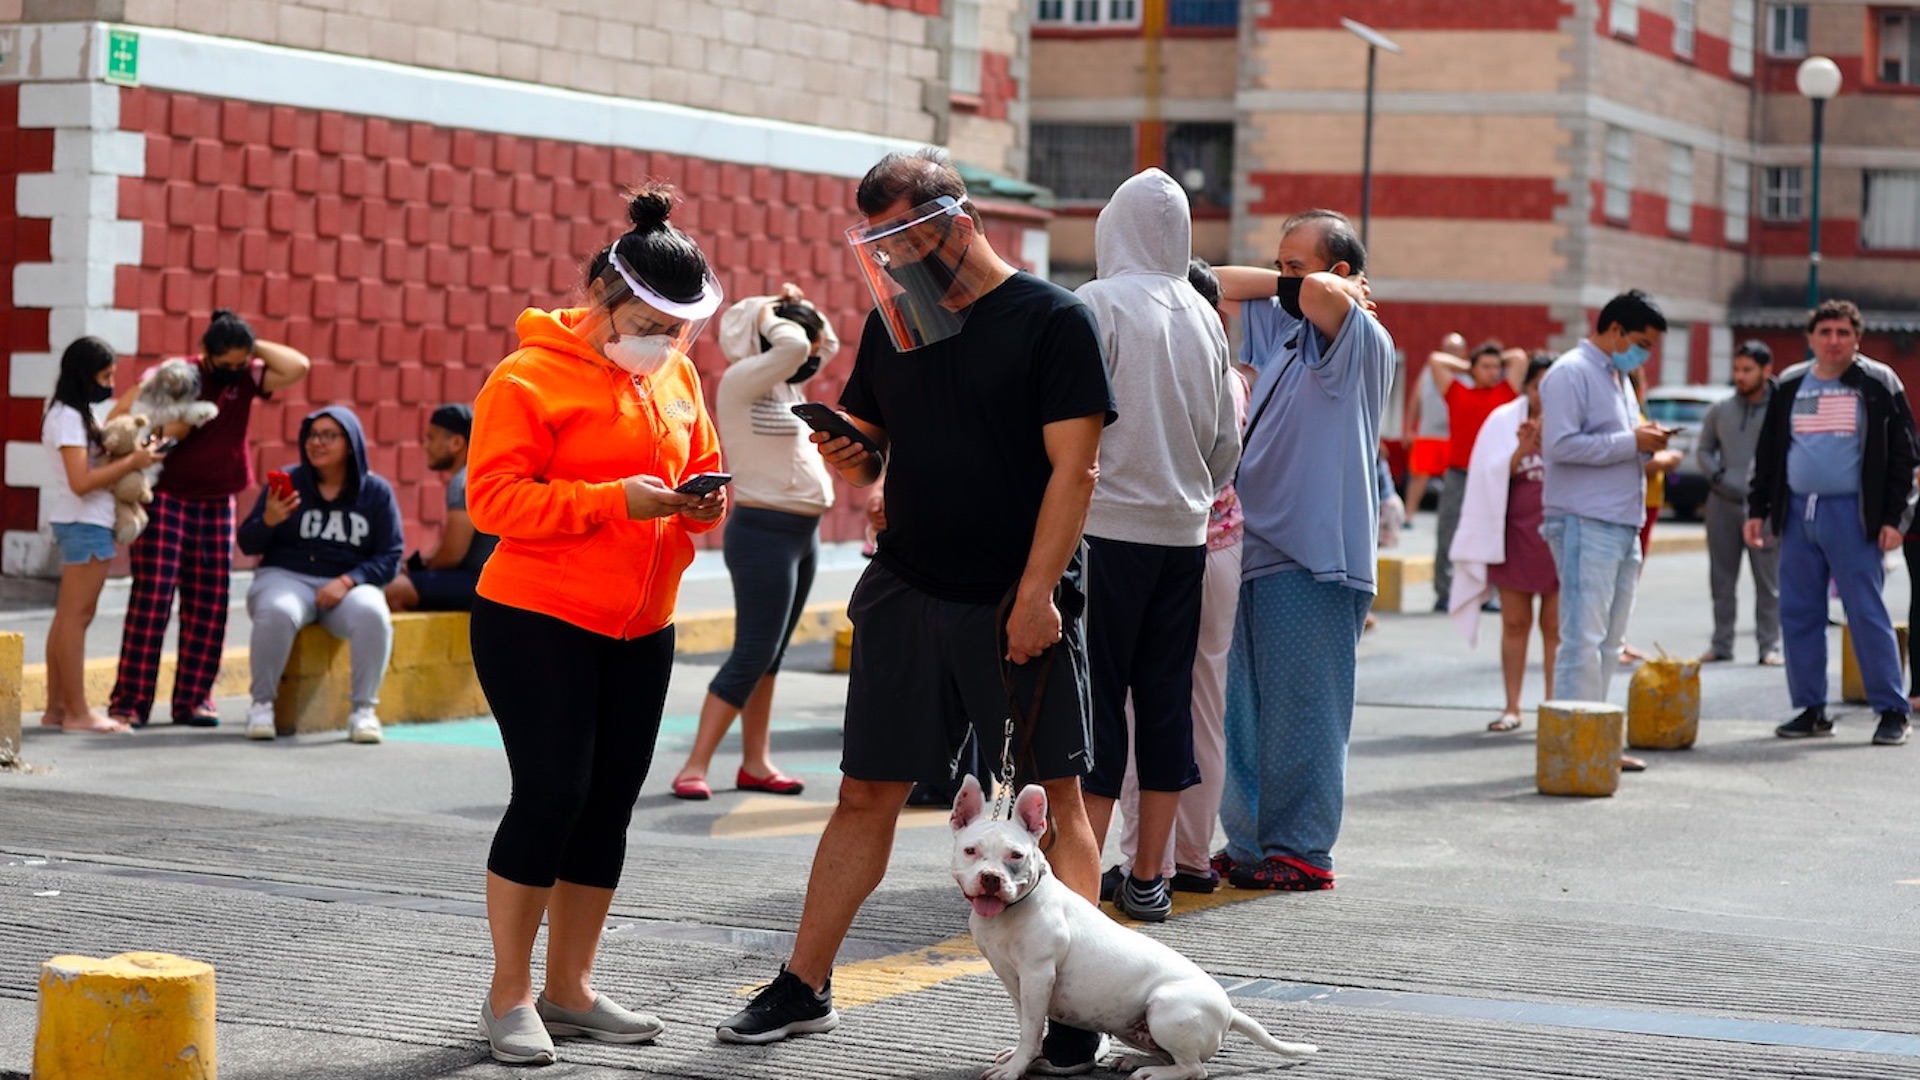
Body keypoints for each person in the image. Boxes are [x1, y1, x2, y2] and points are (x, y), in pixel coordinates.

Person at [715, 148, 1114, 1074]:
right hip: (908, 589)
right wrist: (852, 455)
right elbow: (879, 450)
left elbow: (1077, 470)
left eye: (901, 237)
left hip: (1016, 598)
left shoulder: (1052, 320)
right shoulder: (897, 322)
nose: (890, 260)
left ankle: (1076, 1006)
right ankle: (804, 983)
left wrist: (1036, 595)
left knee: (1057, 799)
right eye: (877, 243)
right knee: (865, 793)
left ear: (954, 219)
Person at [466, 183, 727, 1065]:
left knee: (608, 804)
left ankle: (569, 989)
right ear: (606, 301)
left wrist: (697, 505)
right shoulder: (526, 376)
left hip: (642, 625)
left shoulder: (679, 374)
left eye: (683, 326)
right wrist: (612, 499)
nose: (671, 341)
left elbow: (701, 469)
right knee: (551, 794)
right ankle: (509, 993)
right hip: (537, 617)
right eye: (657, 322)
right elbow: (493, 500)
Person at [1072, 169, 1240, 923]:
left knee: (1096, 707)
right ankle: (1152, 879)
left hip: (1105, 533)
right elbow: (1226, 446)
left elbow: (1067, 425)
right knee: (1166, 701)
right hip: (1185, 538)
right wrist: (1189, 491)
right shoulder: (1206, 316)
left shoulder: (1097, 304)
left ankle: (1080, 878)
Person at [1211, 208, 1394, 892]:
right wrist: (1295, 279)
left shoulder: (1361, 337)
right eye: (1280, 265)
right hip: (1251, 546)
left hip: (1313, 557)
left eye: (1298, 265)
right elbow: (1216, 283)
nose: (1285, 281)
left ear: (1344, 273)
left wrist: (1327, 287)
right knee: (1247, 712)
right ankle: (1253, 842)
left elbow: (1318, 296)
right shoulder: (1285, 330)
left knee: (1304, 710)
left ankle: (1303, 850)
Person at [1108, 256, 1247, 903]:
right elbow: (1225, 457)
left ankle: (1147, 862)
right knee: (1202, 706)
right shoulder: (1226, 372)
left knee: (1144, 709)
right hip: (1219, 544)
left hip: (1158, 545)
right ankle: (1192, 857)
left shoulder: (1148, 356)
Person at [669, 284, 840, 801]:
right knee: (753, 652)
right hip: (764, 534)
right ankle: (693, 767)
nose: (808, 351)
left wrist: (802, 308)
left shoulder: (789, 386)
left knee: (773, 655)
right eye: (797, 337)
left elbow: (823, 346)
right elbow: (793, 348)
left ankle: (756, 762)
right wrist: (769, 312)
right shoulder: (744, 381)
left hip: (801, 535)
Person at [107, 310, 312, 728]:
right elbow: (121, 413)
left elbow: (298, 366)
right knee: (153, 600)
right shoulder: (178, 375)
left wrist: (251, 346)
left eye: (243, 363)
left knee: (210, 603)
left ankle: (195, 700)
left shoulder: (249, 376)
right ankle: (129, 702)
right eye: (228, 364)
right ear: (206, 353)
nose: (236, 372)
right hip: (167, 497)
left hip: (219, 500)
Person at [1745, 299, 1917, 747]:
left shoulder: (1878, 382)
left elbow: (1904, 456)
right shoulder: (1789, 384)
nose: (1834, 341)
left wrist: (1895, 518)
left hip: (1853, 515)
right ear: (1811, 338)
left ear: (1857, 338)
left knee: (1865, 611)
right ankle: (1811, 708)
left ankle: (1892, 710)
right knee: (1799, 612)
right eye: (1826, 333)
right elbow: (1768, 455)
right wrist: (1758, 510)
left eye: (1843, 332)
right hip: (1799, 512)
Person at [1537, 290, 1672, 750]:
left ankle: (1600, 740)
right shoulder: (1571, 372)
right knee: (1582, 639)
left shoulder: (1619, 377)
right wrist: (1631, 442)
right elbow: (1559, 446)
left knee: (1611, 642)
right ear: (1614, 329)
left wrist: (1644, 443)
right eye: (1642, 342)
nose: (1645, 354)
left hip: (1620, 521)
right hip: (1583, 520)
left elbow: (1618, 442)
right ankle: (1577, 745)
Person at [237, 407, 404, 745]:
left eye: (329, 435)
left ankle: (363, 712)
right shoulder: (290, 482)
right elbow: (247, 542)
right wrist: (268, 520)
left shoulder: (375, 492)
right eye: (312, 435)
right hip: (286, 576)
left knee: (373, 613)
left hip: (345, 585)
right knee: (278, 611)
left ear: (351, 443)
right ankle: (261, 706)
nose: (317, 443)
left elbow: (390, 554)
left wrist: (349, 580)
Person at [39, 337, 164, 734]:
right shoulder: (68, 419)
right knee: (76, 618)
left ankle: (58, 708)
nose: (110, 381)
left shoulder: (72, 414)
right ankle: (77, 713)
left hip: (83, 520)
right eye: (106, 374)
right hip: (84, 521)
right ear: (85, 374)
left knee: (68, 618)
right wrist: (135, 461)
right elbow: (81, 481)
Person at [1448, 353, 1559, 731]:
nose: (1544, 395)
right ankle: (1512, 706)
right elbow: (1488, 478)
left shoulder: (1574, 419)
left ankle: (1554, 704)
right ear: (1527, 386)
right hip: (1514, 535)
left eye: (1552, 386)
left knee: (1556, 626)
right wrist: (1522, 449)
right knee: (1514, 622)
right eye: (1537, 386)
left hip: (1559, 536)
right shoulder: (1502, 420)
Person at [1696, 341, 1781, 665]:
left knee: (1769, 582)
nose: (1740, 376)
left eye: (1748, 370)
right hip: (1722, 504)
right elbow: (1703, 450)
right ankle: (1721, 644)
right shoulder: (1720, 410)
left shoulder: (1780, 409)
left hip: (1766, 508)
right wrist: (1717, 477)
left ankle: (1769, 646)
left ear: (1766, 370)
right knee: (1721, 579)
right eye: (1737, 370)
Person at [1430, 340, 1523, 612]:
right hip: (1459, 474)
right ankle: (1444, 593)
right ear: (1473, 369)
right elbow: (1436, 360)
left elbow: (1517, 355)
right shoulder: (1457, 392)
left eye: (1496, 367)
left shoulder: (1506, 392)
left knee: (1493, 533)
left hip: (1492, 475)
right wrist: (1469, 366)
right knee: (1448, 532)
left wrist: (1493, 360)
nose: (1493, 371)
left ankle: (1487, 594)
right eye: (1486, 366)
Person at [384, 404, 497, 613]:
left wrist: (418, 571)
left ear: (456, 443)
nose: (426, 445)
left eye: (432, 437)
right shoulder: (478, 475)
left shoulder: (464, 481)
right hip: (486, 582)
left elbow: (452, 554)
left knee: (392, 589)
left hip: (480, 584)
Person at [1404, 333, 1463, 528]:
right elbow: (1415, 400)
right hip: (1428, 433)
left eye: (1455, 349)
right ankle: (1409, 516)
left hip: (1454, 437)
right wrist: (1408, 428)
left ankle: (1453, 519)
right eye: (1448, 348)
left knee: (1455, 480)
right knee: (1419, 476)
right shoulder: (1429, 371)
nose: (1451, 352)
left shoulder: (1469, 373)